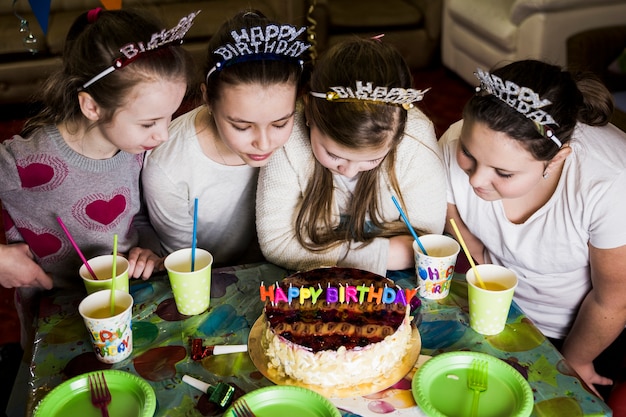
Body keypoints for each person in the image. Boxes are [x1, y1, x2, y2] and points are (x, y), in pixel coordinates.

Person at [0, 8, 196, 346]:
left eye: (169, 117)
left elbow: (141, 217)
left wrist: (146, 250)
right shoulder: (27, 160)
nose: (163, 135)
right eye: (149, 122)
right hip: (53, 315)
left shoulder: (136, 150)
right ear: (91, 106)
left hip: (128, 303)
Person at [440, 59, 626, 398]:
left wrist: (576, 362)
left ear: (556, 159)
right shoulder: (456, 139)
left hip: (588, 335)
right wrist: (480, 260)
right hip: (503, 312)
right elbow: (452, 209)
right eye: (469, 154)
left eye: (503, 173)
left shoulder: (611, 182)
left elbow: (612, 301)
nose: (477, 180)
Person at [255, 38, 447, 276]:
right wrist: (377, 254)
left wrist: (323, 252)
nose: (349, 171)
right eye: (334, 154)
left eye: (372, 159)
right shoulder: (289, 134)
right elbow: (277, 244)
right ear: (310, 116)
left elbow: (427, 243)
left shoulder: (415, 137)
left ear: (399, 136)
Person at [142, 10, 310, 267]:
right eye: (242, 126)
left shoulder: (305, 134)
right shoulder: (168, 166)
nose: (264, 144)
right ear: (207, 98)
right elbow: (186, 265)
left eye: (280, 123)